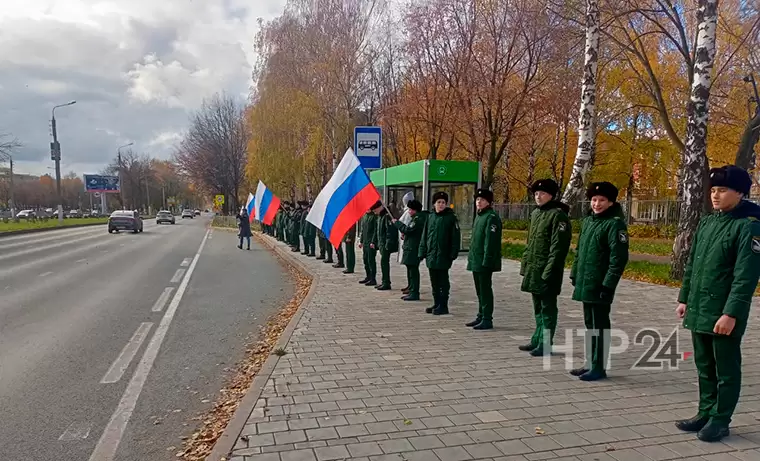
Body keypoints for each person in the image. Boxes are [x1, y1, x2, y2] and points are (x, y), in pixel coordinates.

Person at [674, 165, 760, 442]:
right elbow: (693, 264)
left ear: (740, 193)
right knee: (704, 365)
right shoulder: (708, 222)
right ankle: (705, 411)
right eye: (713, 190)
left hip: (723, 312)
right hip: (700, 307)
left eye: (722, 190)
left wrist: (731, 313)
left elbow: (745, 276)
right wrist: (685, 298)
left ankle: (721, 419)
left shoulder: (749, 226)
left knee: (725, 368)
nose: (715, 195)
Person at [570, 181, 629, 381]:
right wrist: (575, 273)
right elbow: (580, 251)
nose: (596, 204)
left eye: (602, 200)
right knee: (589, 324)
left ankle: (599, 366)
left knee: (599, 325)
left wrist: (608, 284)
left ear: (611, 202)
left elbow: (618, 259)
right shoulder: (588, 222)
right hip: (586, 281)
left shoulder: (614, 225)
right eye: (594, 200)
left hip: (600, 284)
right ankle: (590, 361)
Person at [519, 179, 572, 354]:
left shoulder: (558, 215)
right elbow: (530, 243)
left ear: (551, 195)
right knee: (537, 307)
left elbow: (558, 248)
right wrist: (525, 266)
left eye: (542, 193)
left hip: (547, 271)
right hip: (534, 269)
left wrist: (548, 271)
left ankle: (546, 343)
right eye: (536, 193)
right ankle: (537, 339)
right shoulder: (535, 214)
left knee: (548, 308)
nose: (538, 196)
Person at [465, 189, 502, 330]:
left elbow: (490, 242)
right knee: (479, 290)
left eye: (482, 199)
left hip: (484, 261)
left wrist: (487, 260)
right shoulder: (480, 216)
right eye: (477, 199)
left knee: (485, 290)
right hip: (476, 259)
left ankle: (487, 318)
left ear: (489, 202)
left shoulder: (491, 217)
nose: (479, 202)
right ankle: (480, 315)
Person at [419, 191, 460, 315]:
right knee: (434, 281)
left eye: (443, 202)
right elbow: (424, 235)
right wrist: (422, 251)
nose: (441, 205)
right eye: (439, 202)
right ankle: (436, 302)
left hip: (444, 255)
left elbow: (455, 238)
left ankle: (443, 305)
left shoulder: (451, 218)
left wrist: (453, 253)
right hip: (431, 255)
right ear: (434, 204)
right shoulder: (430, 217)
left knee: (443, 281)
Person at [392, 200, 426, 301]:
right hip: (410, 247)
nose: (409, 211)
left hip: (413, 248)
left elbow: (409, 229)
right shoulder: (414, 218)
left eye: (411, 209)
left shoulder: (418, 219)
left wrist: (397, 223)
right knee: (410, 269)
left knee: (413, 271)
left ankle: (414, 292)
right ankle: (411, 288)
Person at [373, 202, 399, 291]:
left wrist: (388, 244)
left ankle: (386, 282)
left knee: (384, 263)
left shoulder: (386, 216)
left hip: (385, 245)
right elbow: (378, 232)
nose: (374, 212)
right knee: (383, 263)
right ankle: (384, 281)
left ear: (380, 207)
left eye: (375, 209)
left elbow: (389, 232)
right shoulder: (380, 217)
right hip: (381, 244)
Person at [358, 204, 380, 286]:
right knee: (365, 259)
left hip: (371, 242)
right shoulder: (365, 216)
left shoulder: (374, 217)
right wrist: (361, 241)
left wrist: (373, 241)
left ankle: (373, 278)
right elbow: (363, 230)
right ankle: (368, 276)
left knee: (371, 260)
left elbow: (375, 230)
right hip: (365, 242)